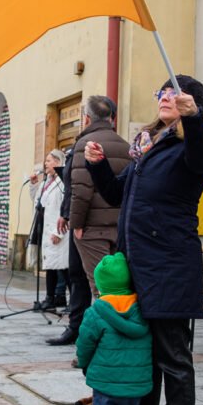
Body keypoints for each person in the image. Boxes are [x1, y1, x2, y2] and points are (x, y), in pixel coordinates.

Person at [84, 74, 203, 405]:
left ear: (191, 103)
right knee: (144, 356)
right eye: (162, 92)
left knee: (174, 361)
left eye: (174, 93)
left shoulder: (192, 145)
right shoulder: (151, 147)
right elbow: (118, 196)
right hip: (139, 266)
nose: (164, 97)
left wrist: (197, 119)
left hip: (169, 268)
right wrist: (97, 169)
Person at [49, 96, 132, 346]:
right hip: (118, 227)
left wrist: (76, 224)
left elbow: (81, 190)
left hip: (92, 229)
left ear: (86, 118)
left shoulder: (85, 144)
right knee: (119, 285)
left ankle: (101, 346)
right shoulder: (126, 146)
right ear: (113, 118)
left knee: (99, 289)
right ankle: (121, 338)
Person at [75, 252, 152, 405]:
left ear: (100, 285)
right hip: (134, 383)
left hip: (106, 382)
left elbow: (85, 344)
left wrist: (84, 363)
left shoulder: (96, 312)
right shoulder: (142, 310)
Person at [29, 149, 68, 309]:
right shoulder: (47, 181)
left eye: (49, 161)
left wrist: (59, 232)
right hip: (45, 228)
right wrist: (34, 184)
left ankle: (69, 301)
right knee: (51, 266)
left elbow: (66, 207)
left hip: (58, 230)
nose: (45, 164)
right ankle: (50, 299)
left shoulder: (63, 182)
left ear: (58, 163)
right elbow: (37, 201)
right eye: (46, 161)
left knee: (63, 268)